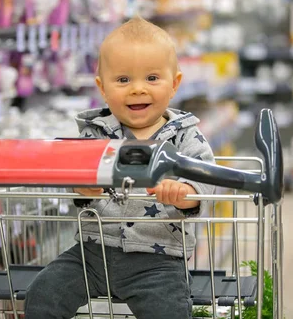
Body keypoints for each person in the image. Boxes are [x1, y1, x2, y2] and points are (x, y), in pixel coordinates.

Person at [24, 17, 215, 319]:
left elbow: (205, 178)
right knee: (43, 294)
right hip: (91, 252)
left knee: (170, 311)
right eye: (123, 80)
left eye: (152, 78)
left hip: (158, 259)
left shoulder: (184, 135)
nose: (137, 90)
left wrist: (186, 192)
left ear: (175, 84)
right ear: (101, 88)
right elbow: (78, 181)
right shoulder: (94, 133)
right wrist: (82, 187)